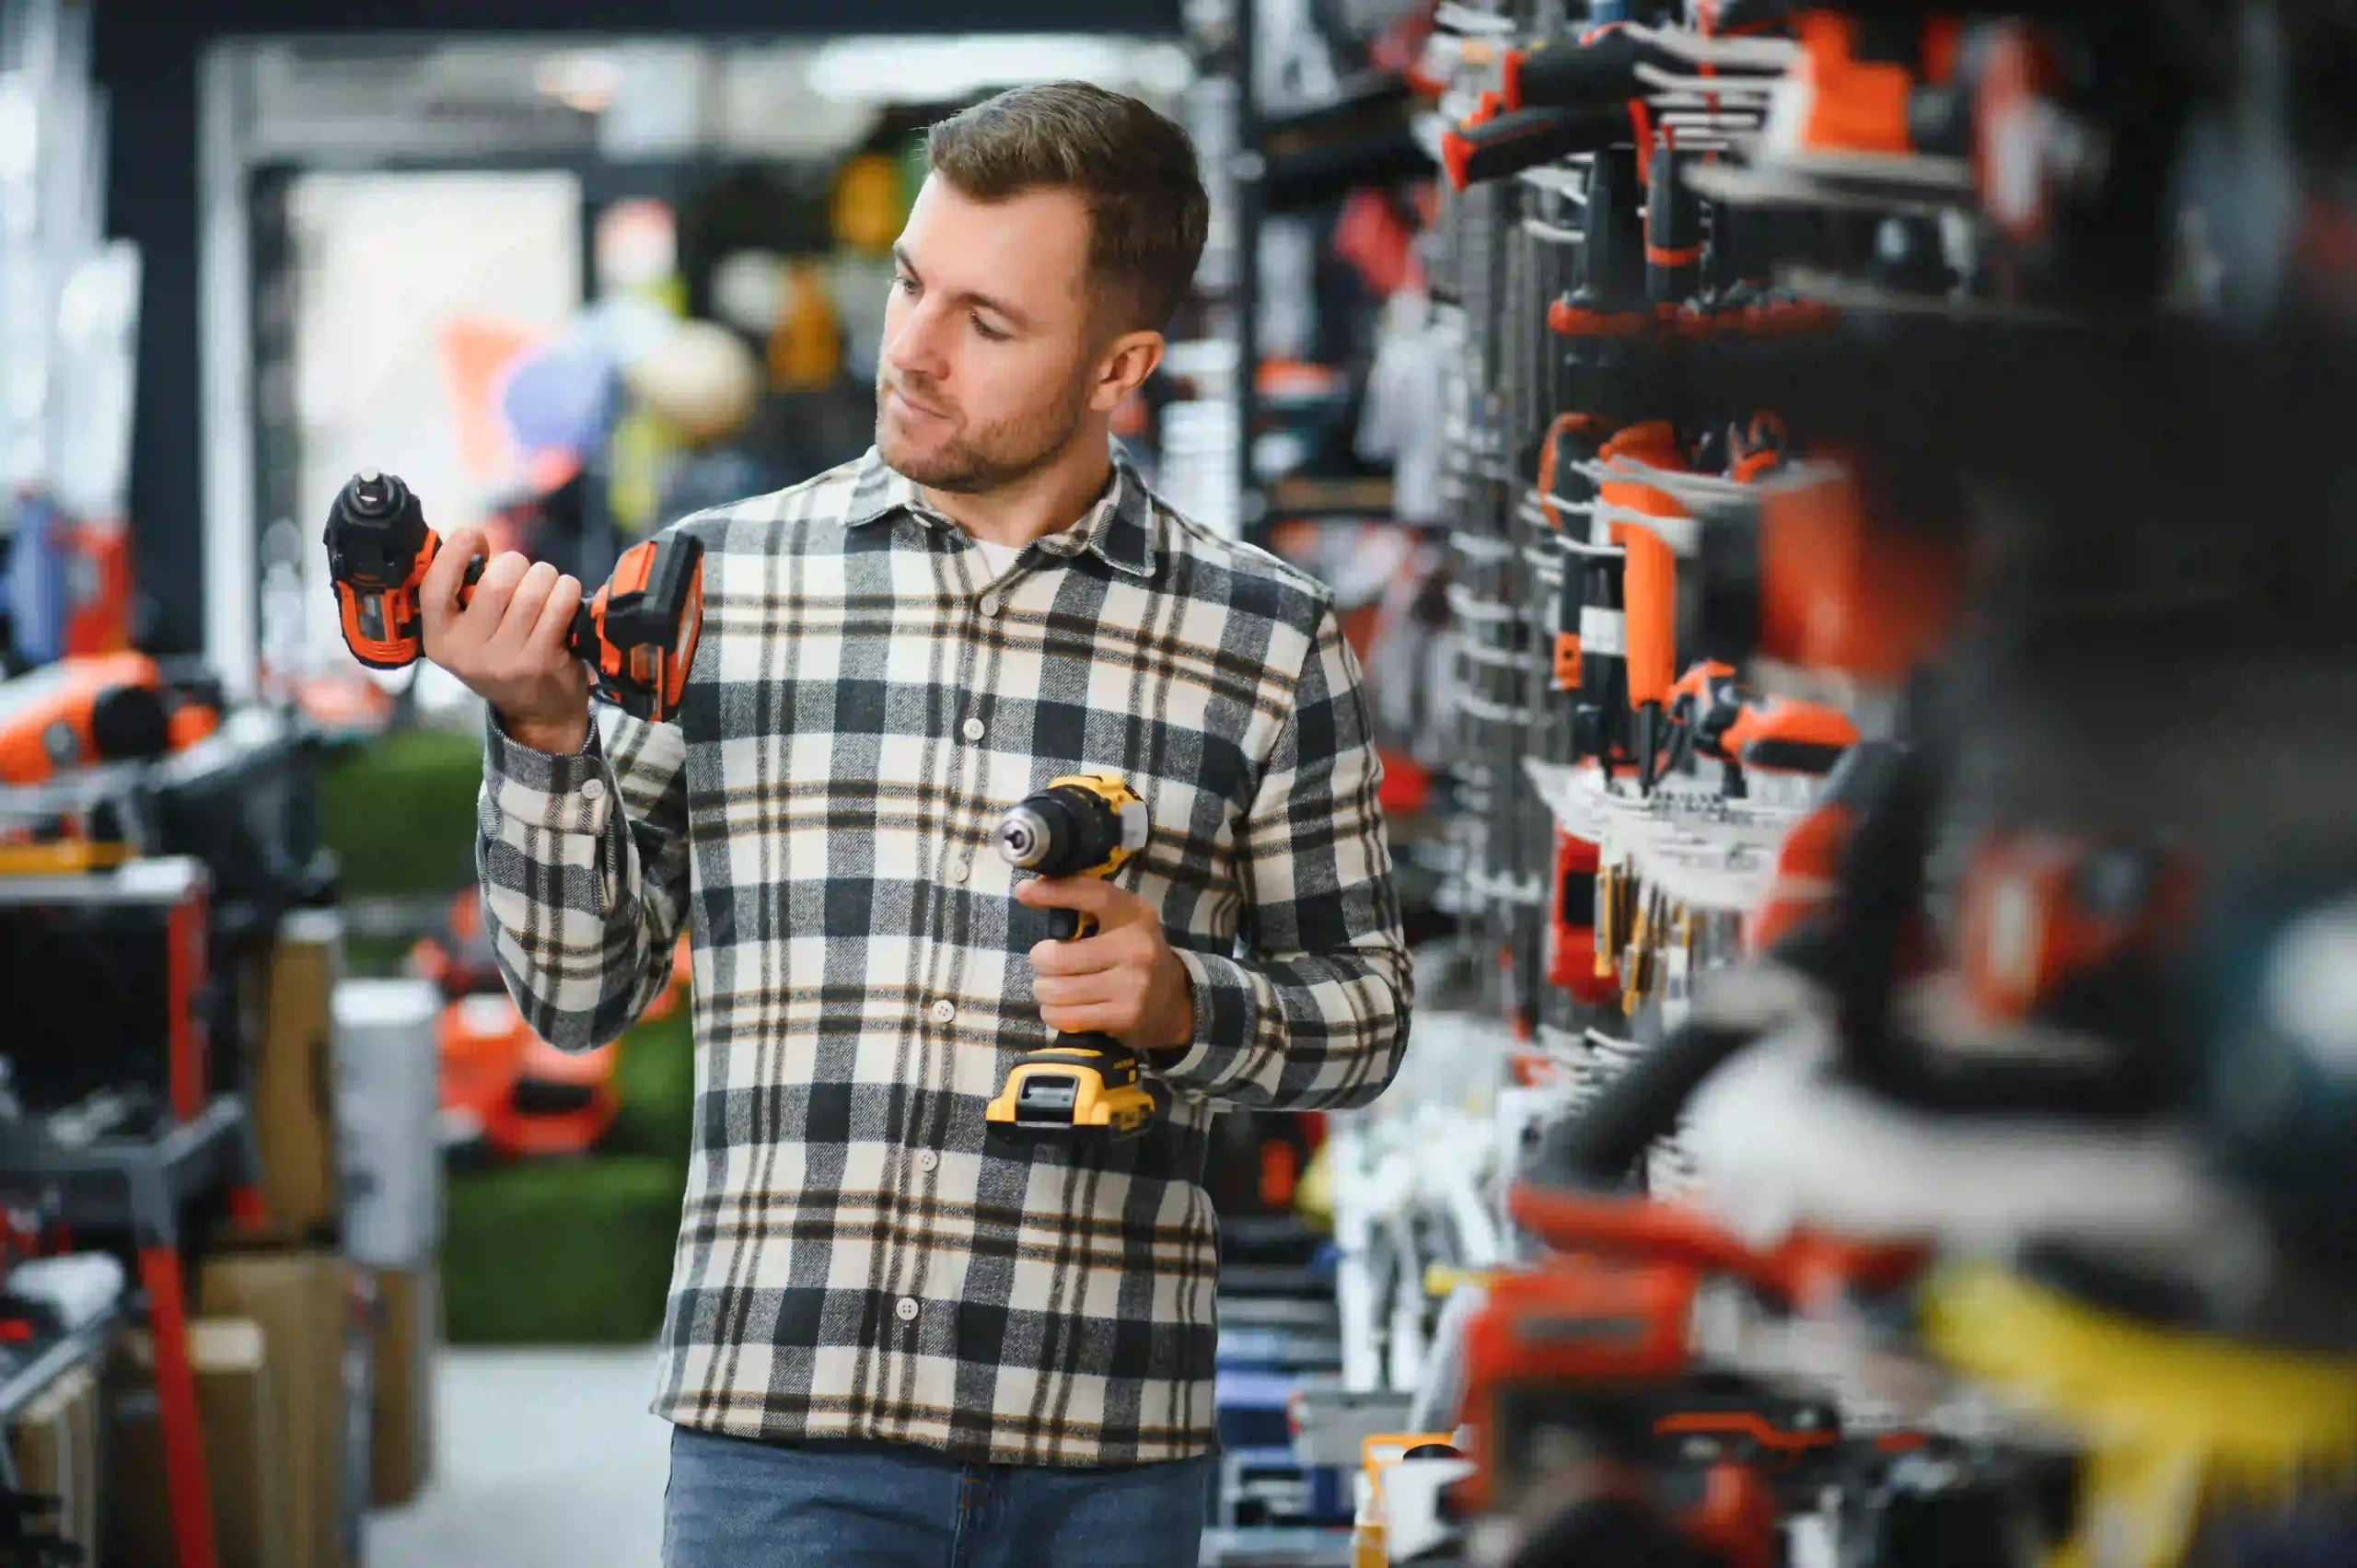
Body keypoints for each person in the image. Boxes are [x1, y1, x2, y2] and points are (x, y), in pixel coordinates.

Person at [418, 81, 1412, 1568]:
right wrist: (544, 736)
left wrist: (1182, 1000)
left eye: (988, 323)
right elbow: (577, 994)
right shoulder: (716, 585)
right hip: (779, 1435)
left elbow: (1368, 1013)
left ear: (1118, 364)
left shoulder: (1262, 638)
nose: (912, 350)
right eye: (909, 283)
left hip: (1102, 1446)